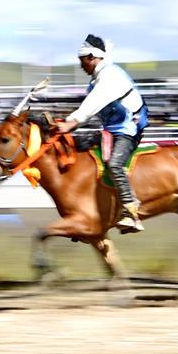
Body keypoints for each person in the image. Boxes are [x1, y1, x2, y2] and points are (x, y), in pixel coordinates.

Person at [53, 34, 149, 233]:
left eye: (82, 61)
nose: (81, 66)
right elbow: (90, 110)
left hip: (128, 131)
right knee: (76, 146)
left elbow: (92, 103)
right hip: (110, 131)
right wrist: (68, 125)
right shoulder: (96, 81)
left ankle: (131, 212)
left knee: (114, 165)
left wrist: (72, 121)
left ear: (91, 57)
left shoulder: (111, 75)